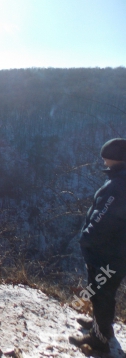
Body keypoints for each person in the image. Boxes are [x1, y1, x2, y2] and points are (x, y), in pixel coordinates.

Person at [70, 138, 126, 353]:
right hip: (116, 253)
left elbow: (103, 219)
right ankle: (99, 325)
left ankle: (100, 339)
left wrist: (86, 238)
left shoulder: (117, 186)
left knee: (101, 293)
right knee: (100, 290)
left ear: (115, 158)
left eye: (105, 156)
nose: (103, 160)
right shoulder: (121, 180)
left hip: (108, 256)